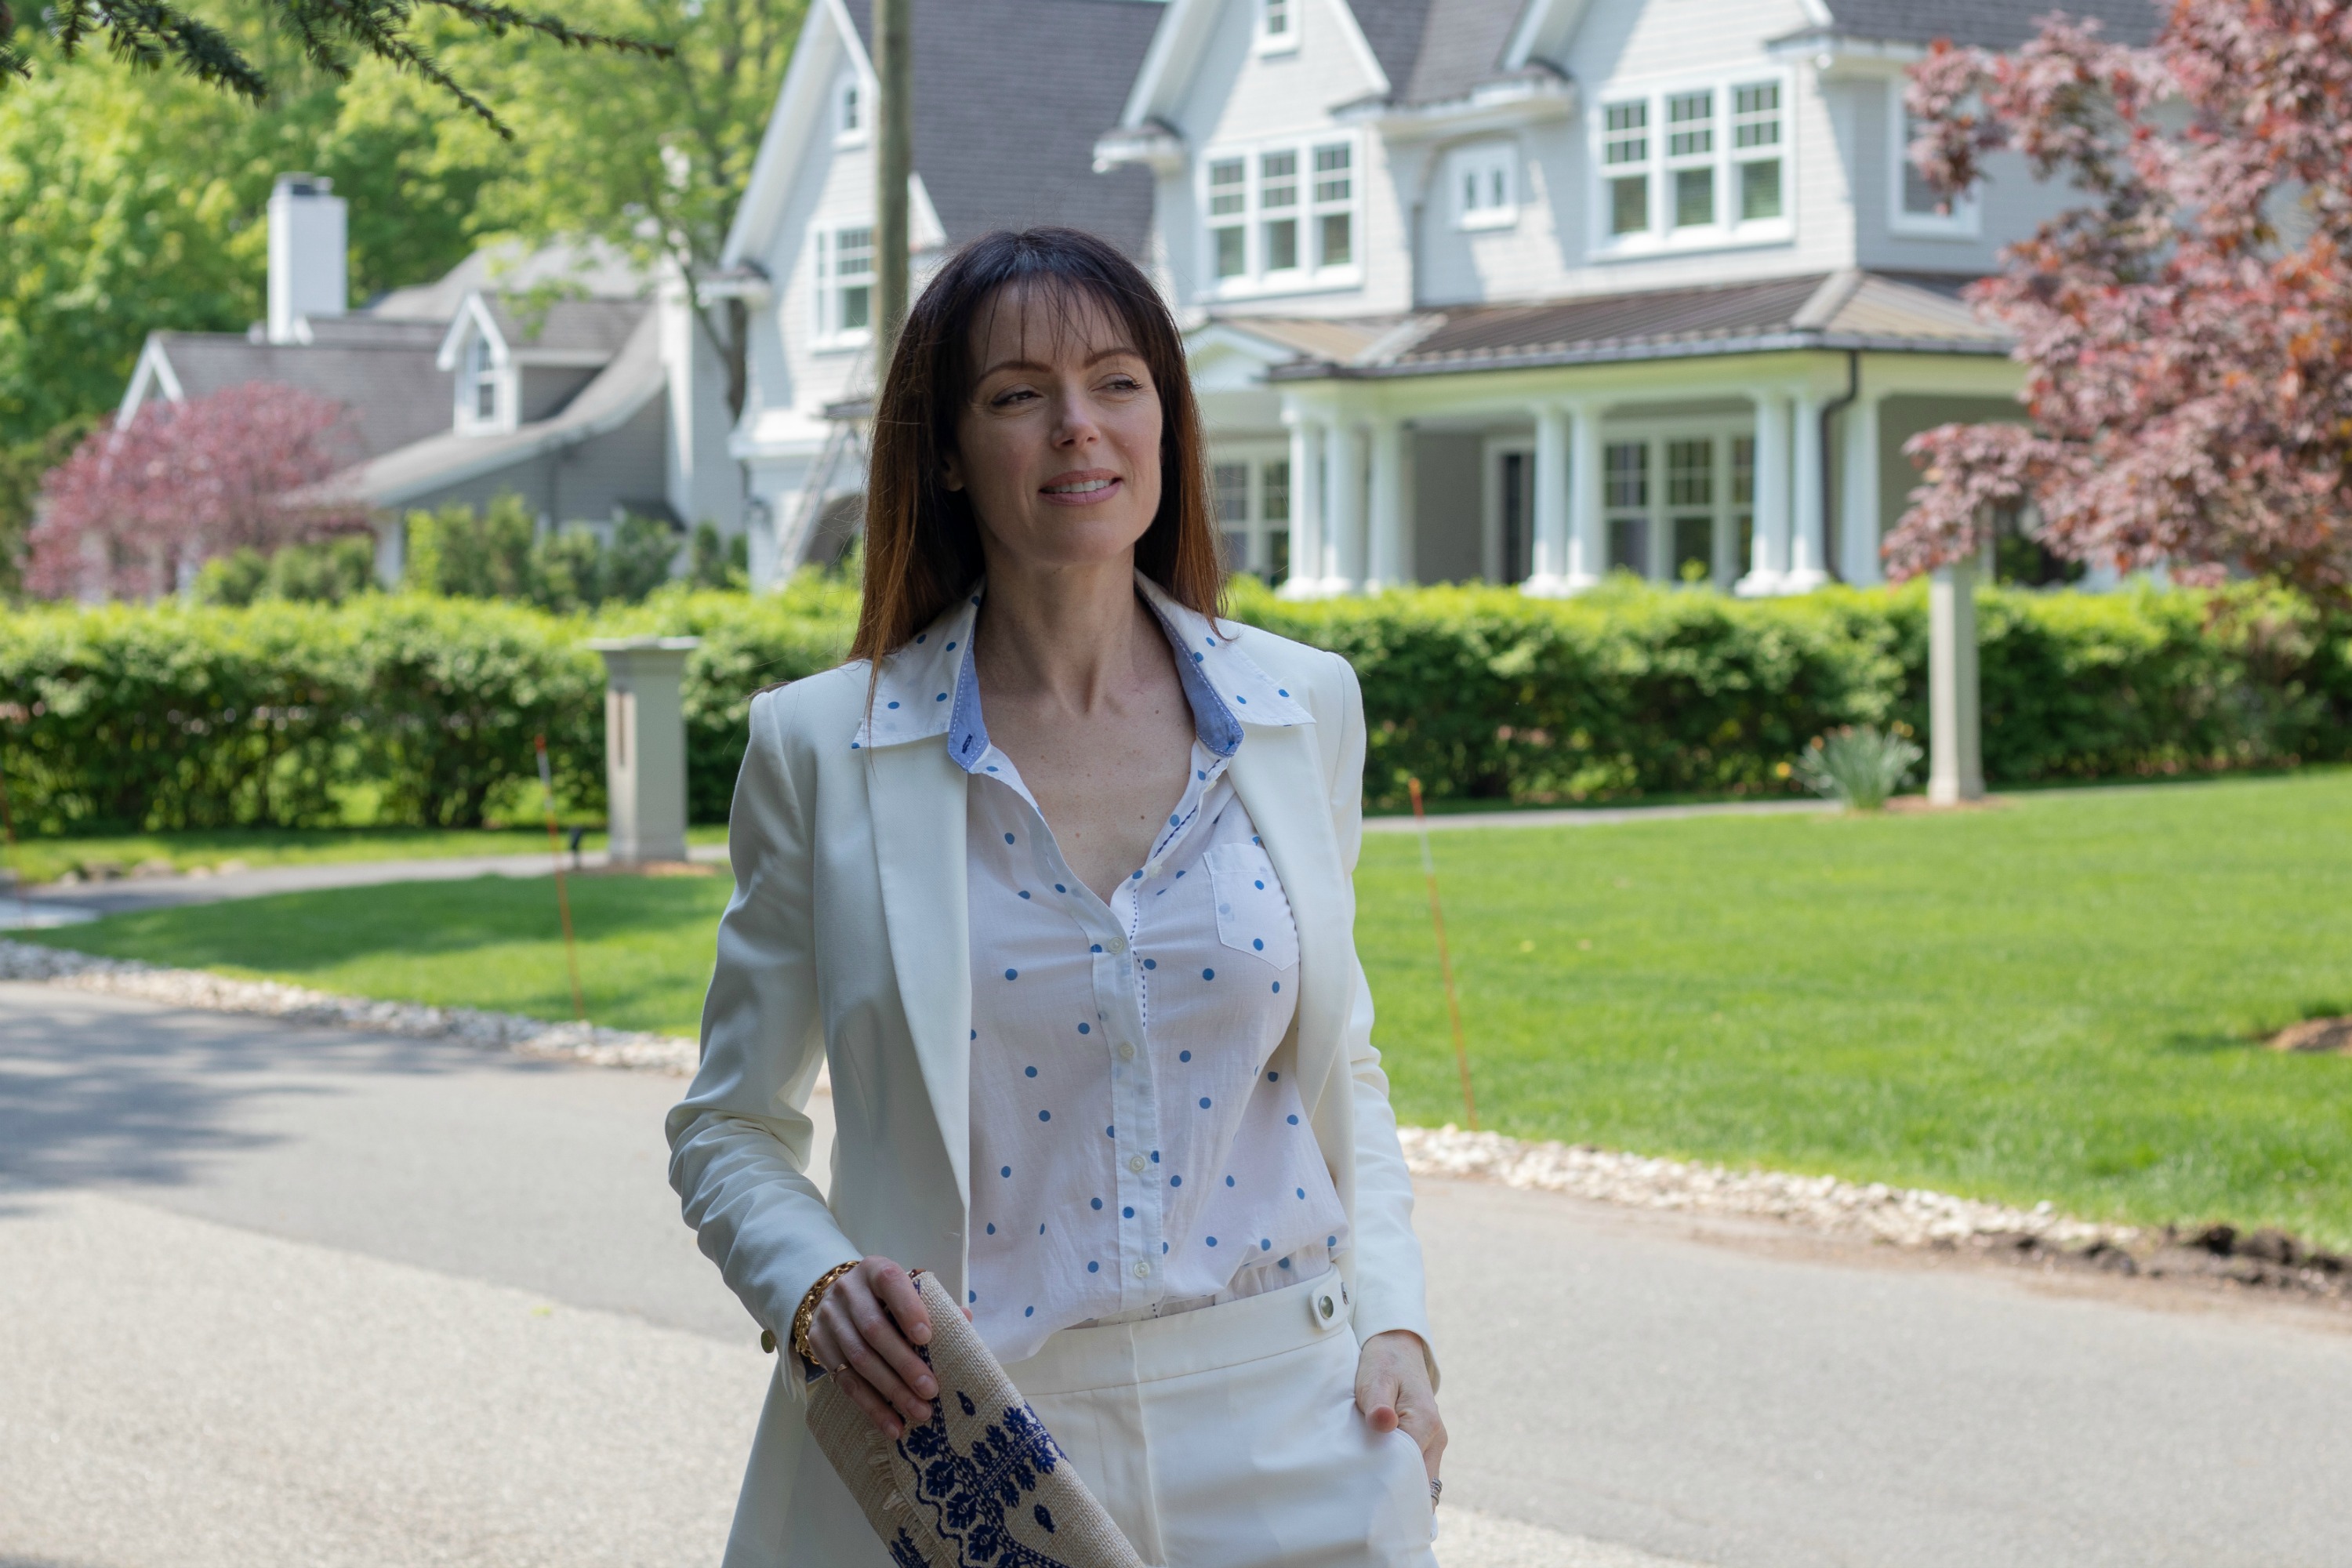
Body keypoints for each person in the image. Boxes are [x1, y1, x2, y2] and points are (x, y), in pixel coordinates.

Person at [667, 226, 1443, 1568]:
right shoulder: (818, 749)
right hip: (971, 1454)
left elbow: (1340, 1068)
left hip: (1296, 1428)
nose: (1078, 427)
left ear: (1168, 419)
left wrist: (1397, 1320)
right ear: (951, 454)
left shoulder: (1302, 706)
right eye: (1018, 394)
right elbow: (729, 1126)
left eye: (1118, 382)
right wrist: (815, 1286)